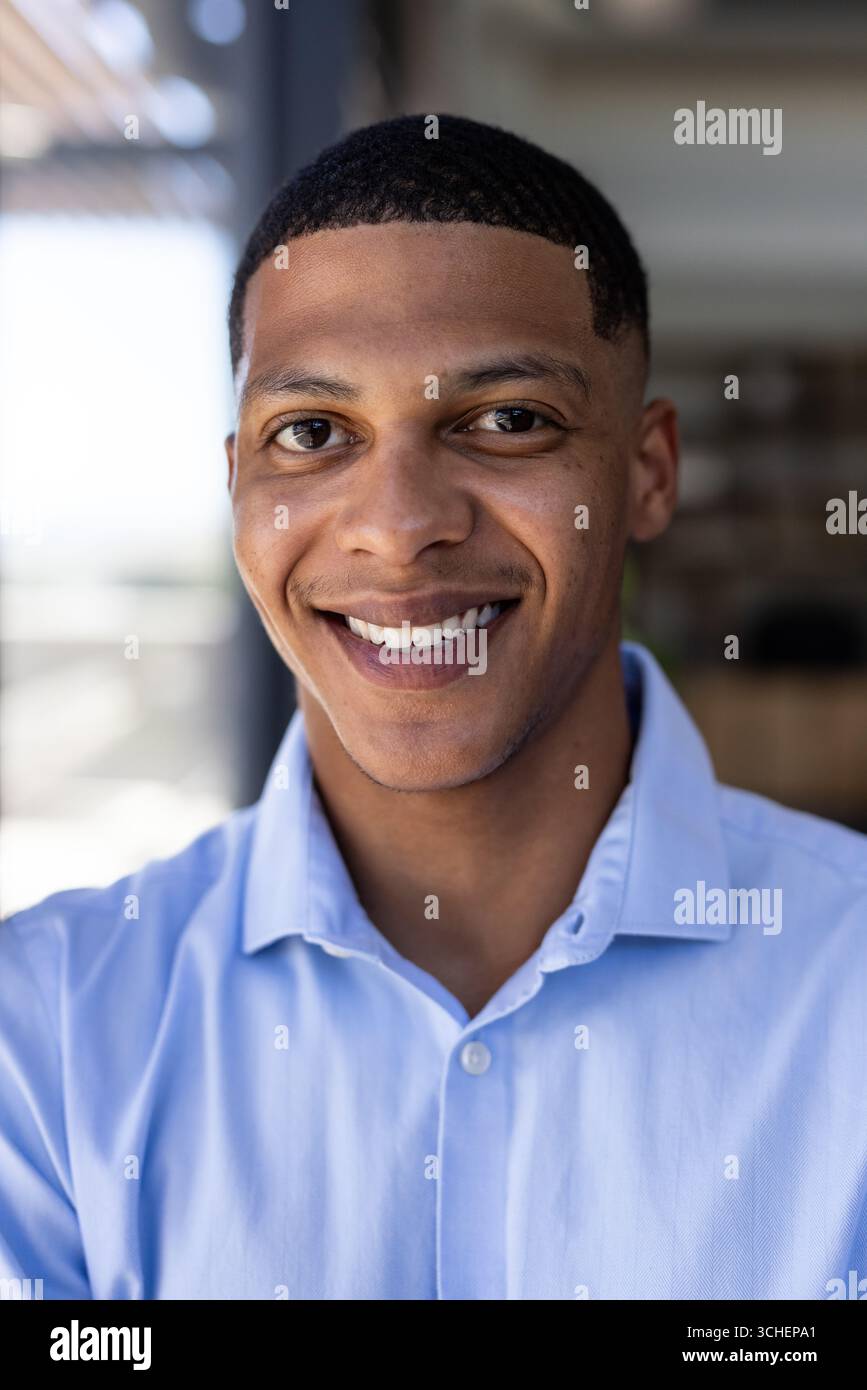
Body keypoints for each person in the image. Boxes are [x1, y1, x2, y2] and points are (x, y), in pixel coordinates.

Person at [1, 115, 864, 1301]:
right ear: (238, 486)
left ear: (647, 473)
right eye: (311, 433)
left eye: (507, 419)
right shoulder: (41, 1036)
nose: (400, 524)